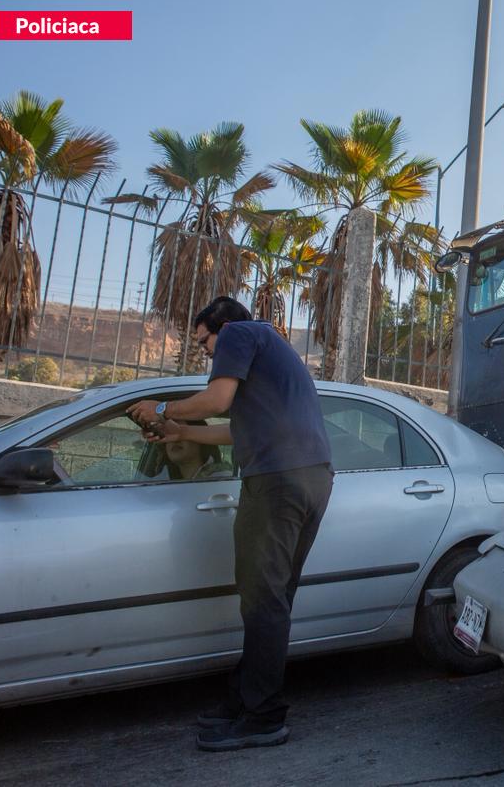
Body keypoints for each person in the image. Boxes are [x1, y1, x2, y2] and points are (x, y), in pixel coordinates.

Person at [128, 296, 332, 752]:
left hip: (276, 482)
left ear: (223, 327)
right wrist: (181, 433)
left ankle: (263, 718)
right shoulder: (270, 360)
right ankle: (246, 700)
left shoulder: (242, 333)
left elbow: (216, 399)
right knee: (271, 600)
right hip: (308, 478)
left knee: (262, 601)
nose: (204, 352)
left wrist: (161, 409)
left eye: (204, 341)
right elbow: (233, 429)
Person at [157, 420, 232, 480]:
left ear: (200, 440)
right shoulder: (157, 484)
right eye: (169, 435)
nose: (175, 440)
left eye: (181, 434)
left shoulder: (224, 478)